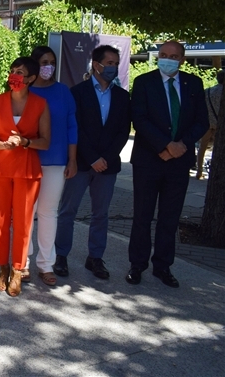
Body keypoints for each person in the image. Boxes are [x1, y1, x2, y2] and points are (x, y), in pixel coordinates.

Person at [127, 41, 208, 288]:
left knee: (169, 218)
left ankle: (163, 266)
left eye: (173, 56)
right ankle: (137, 265)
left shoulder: (193, 84)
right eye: (163, 55)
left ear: (182, 59)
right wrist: (165, 145)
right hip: (148, 161)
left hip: (178, 163)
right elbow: (139, 119)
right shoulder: (144, 82)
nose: (167, 59)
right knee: (142, 215)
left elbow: (201, 122)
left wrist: (179, 145)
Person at [54, 45, 131, 280]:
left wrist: (105, 158)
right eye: (109, 63)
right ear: (96, 65)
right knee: (68, 211)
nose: (113, 67)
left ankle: (95, 258)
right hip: (81, 164)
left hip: (107, 166)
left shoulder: (122, 95)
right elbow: (75, 128)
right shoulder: (77, 92)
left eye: (115, 63)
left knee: (101, 214)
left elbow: (122, 131)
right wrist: (92, 157)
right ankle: (60, 256)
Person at [0, 57, 50, 297]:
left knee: (23, 223)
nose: (14, 76)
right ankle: (2, 268)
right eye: (12, 71)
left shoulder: (41, 104)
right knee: (0, 221)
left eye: (20, 72)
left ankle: (18, 269)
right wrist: (3, 145)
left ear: (32, 78)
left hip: (27, 169)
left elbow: (45, 141)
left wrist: (26, 141)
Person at [24, 46, 77, 287]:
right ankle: (22, 263)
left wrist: (72, 159)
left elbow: (71, 126)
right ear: (35, 66)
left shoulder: (63, 92)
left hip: (56, 161)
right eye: (44, 62)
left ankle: (46, 264)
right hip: (27, 160)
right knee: (26, 213)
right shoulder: (24, 91)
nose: (49, 66)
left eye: (52, 61)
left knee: (48, 212)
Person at [195, 69, 223, 179]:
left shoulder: (207, 91)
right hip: (219, 125)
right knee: (219, 149)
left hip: (207, 123)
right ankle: (216, 170)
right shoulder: (223, 93)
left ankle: (199, 171)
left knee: (202, 148)